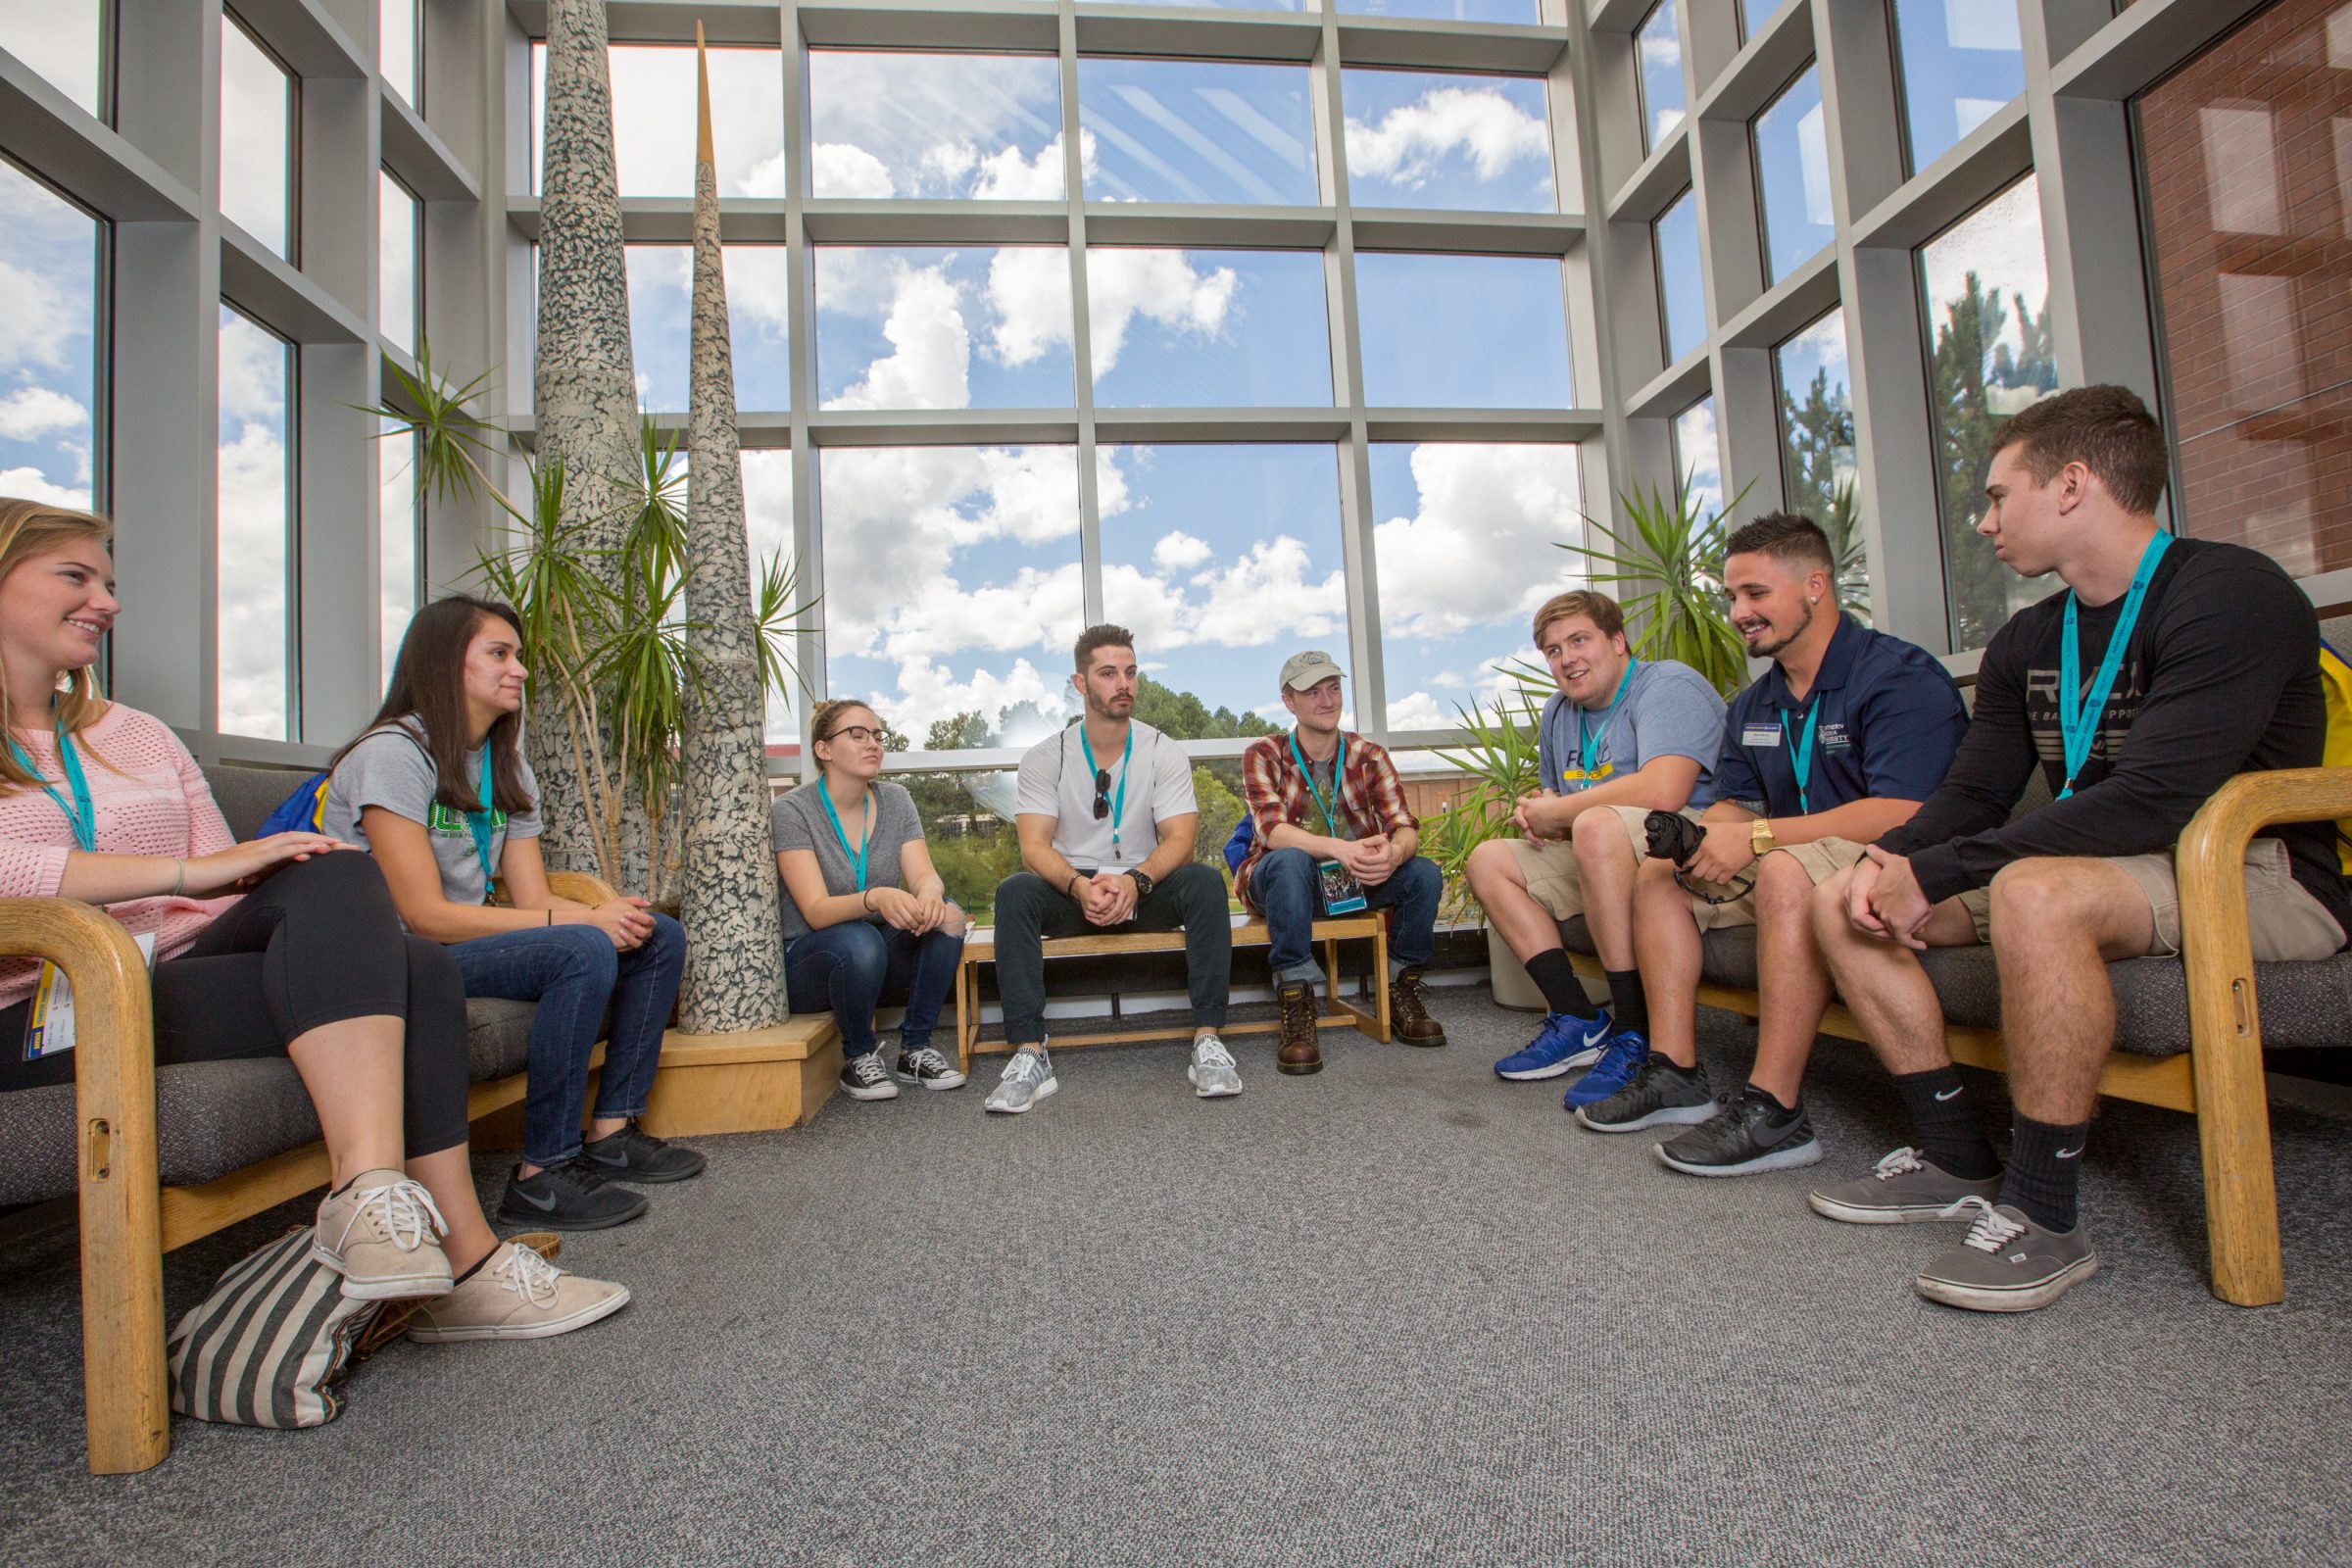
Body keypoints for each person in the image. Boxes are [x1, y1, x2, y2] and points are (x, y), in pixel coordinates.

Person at [0, 500, 625, 1341]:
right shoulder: (393, 755)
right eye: (75, 577)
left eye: (109, 583)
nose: (107, 601)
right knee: (404, 949)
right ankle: (439, 1246)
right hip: (46, 1004)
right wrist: (194, 871)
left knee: (365, 907)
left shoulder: (138, 736)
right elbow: (179, 870)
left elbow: (233, 890)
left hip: (176, 974)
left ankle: (393, 1215)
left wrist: (255, 882)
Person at [1806, 385, 2349, 1313]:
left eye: (1996, 496)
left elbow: (2156, 801)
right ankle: (1955, 1156)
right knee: (1839, 899)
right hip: (2101, 861)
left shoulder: (2232, 594)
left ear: (2071, 485)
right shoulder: (2031, 636)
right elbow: (1974, 792)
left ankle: (2046, 1214)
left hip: (2248, 869)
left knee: (2034, 894)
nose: (1982, 522)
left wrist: (1945, 870)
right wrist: (1889, 860)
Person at [1576, 514, 1968, 1166]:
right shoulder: (1756, 704)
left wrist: (1754, 836)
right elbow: (1735, 801)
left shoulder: (1898, 677)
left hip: (1887, 857)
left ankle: (1776, 1109)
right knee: (1659, 872)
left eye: (1755, 594)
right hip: (1786, 847)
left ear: (1815, 585)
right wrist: (1704, 836)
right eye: (1731, 597)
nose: (1738, 612)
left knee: (1784, 866)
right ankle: (1675, 1070)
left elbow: (1906, 809)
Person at [324, 595, 698, 1232]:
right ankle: (542, 1173)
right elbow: (425, 917)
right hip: (400, 956)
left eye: (518, 656)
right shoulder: (390, 756)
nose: (520, 670)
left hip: (463, 942)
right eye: (499, 654)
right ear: (444, 665)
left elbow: (532, 899)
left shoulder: (505, 763)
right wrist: (582, 926)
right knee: (581, 947)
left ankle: (611, 1131)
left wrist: (607, 910)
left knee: (656, 934)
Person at [1468, 591, 1727, 1110]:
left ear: (1616, 640)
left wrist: (1564, 813)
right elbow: (1564, 808)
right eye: (1554, 651)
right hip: (1604, 846)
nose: (1567, 659)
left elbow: (1664, 790)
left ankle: (1635, 1033)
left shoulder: (1668, 685)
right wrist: (1540, 812)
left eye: (1579, 640)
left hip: (1690, 843)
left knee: (1596, 827)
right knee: (1489, 859)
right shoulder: (1559, 711)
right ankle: (1580, 1019)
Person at [984, 624, 1235, 1113]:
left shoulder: (1163, 750)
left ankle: (1208, 1039)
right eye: (1108, 673)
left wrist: (1136, 882)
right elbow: (1034, 847)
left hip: (1142, 884)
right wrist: (1079, 886)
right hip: (1073, 888)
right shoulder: (1044, 757)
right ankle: (1030, 1053)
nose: (1124, 683)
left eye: (1131, 672)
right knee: (1015, 892)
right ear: (1080, 684)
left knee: (1204, 881)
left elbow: (1180, 839)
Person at [1235, 650, 1445, 1075]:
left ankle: (1399, 987)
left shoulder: (1370, 756)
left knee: (1423, 874)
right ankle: (1295, 997)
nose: (1327, 700)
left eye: (1333, 688)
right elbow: (1272, 831)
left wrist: (1394, 853)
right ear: (1288, 701)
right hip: (1283, 883)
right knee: (1291, 860)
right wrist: (1339, 848)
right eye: (1312, 692)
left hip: (1351, 882)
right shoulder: (1263, 754)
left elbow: (1404, 826)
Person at [775, 699, 967, 1101]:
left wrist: (930, 896)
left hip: (873, 956)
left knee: (948, 915)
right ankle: (858, 1056)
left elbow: (924, 875)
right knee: (857, 940)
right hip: (811, 963)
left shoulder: (895, 799)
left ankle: (915, 1048)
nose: (873, 744)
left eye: (878, 736)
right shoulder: (792, 810)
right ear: (823, 750)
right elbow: (814, 911)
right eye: (857, 735)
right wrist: (875, 897)